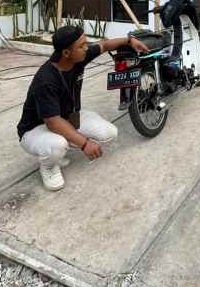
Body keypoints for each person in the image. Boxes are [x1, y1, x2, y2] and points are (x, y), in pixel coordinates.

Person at [17, 25, 149, 191]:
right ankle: (49, 165)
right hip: (35, 129)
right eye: (81, 46)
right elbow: (53, 122)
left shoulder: (78, 56)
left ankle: (65, 143)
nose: (86, 48)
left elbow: (104, 45)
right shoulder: (46, 80)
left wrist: (130, 40)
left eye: (85, 43)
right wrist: (84, 143)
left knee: (109, 133)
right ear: (66, 53)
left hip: (68, 116)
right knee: (58, 145)